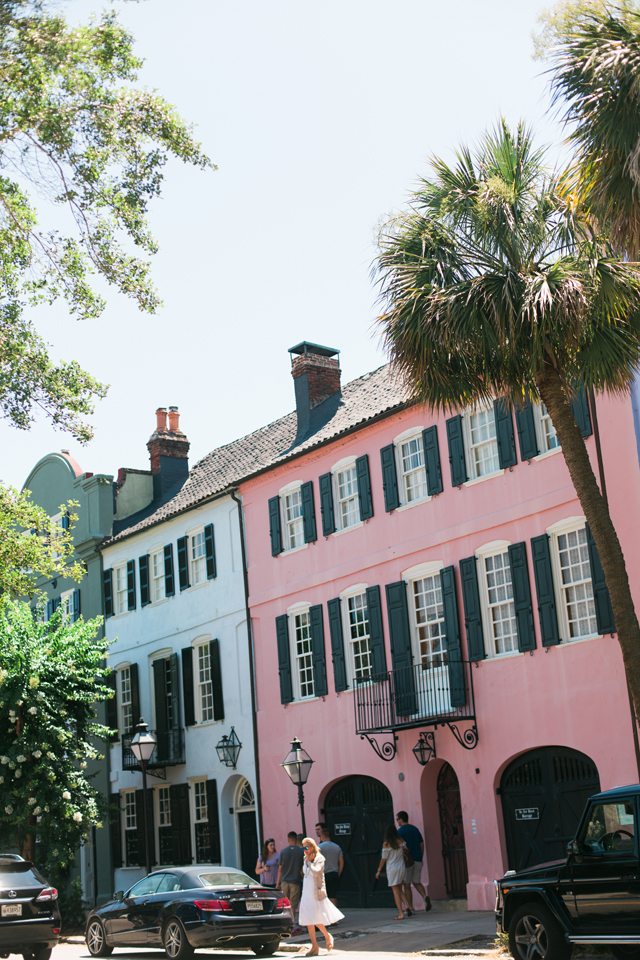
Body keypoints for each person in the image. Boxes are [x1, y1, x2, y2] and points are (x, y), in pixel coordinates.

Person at [299, 837, 344, 956]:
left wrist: (309, 862)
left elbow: (316, 872)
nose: (305, 850)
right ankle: (314, 946)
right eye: (303, 848)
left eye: (306, 847)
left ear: (313, 846)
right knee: (308, 919)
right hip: (306, 891)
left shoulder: (319, 858)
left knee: (316, 917)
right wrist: (307, 861)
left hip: (315, 892)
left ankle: (327, 935)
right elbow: (305, 873)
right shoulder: (305, 858)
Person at [396, 811, 432, 912]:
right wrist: (421, 856)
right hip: (418, 859)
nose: (397, 821)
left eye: (397, 819)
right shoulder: (415, 829)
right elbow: (421, 844)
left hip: (407, 862)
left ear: (401, 819)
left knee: (407, 885)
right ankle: (424, 896)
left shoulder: (400, 831)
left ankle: (411, 907)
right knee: (417, 881)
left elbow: (399, 847)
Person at [375, 824, 411, 920]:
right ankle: (406, 906)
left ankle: (400, 913)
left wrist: (378, 871)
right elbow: (406, 850)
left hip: (392, 869)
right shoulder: (401, 840)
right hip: (401, 867)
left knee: (395, 891)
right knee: (400, 889)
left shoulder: (386, 844)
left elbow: (383, 859)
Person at [277, 832, 304, 933]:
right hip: (295, 881)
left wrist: (278, 882)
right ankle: (291, 925)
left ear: (288, 840)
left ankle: (285, 924)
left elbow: (280, 869)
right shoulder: (300, 851)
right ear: (296, 840)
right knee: (293, 905)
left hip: (284, 881)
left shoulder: (283, 852)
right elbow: (302, 868)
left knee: (285, 904)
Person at [318, 828, 344, 907]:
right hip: (334, 873)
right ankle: (335, 916)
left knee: (324, 896)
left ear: (323, 836)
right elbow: (342, 862)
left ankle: (326, 916)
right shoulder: (337, 847)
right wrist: (338, 873)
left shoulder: (319, 847)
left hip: (324, 874)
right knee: (333, 896)